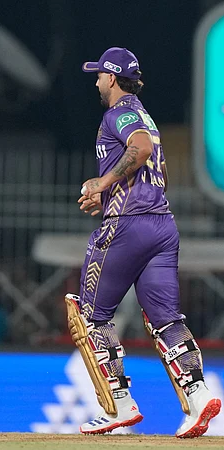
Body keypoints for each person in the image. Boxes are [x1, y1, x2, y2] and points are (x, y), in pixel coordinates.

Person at [69, 47, 221, 437]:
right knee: (167, 319)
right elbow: (161, 173)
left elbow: (141, 149)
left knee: (91, 315)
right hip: (161, 225)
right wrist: (114, 191)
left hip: (127, 226)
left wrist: (103, 185)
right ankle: (200, 397)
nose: (97, 80)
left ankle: (119, 405)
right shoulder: (146, 116)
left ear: (113, 78)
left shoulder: (118, 113)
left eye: (100, 74)